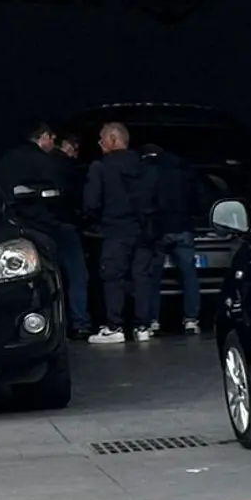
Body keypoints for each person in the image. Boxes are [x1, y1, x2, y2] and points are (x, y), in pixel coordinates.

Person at [0, 122, 89, 338]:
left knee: (30, 279)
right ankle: (79, 323)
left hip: (22, 228)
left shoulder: (5, 162)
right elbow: (70, 194)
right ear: (44, 136)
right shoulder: (51, 163)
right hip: (55, 225)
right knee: (76, 274)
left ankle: (32, 325)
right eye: (52, 139)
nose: (53, 144)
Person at [81, 122, 160, 344]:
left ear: (113, 140)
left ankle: (114, 326)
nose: (99, 144)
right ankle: (142, 326)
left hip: (115, 230)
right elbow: (157, 199)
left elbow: (91, 203)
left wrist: (93, 221)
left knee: (113, 278)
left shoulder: (100, 167)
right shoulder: (147, 168)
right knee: (142, 277)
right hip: (143, 231)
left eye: (101, 139)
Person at [148, 144, 205, 335]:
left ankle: (152, 321)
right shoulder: (184, 171)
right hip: (183, 227)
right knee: (189, 275)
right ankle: (191, 319)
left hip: (159, 230)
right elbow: (199, 200)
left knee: (152, 277)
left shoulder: (149, 172)